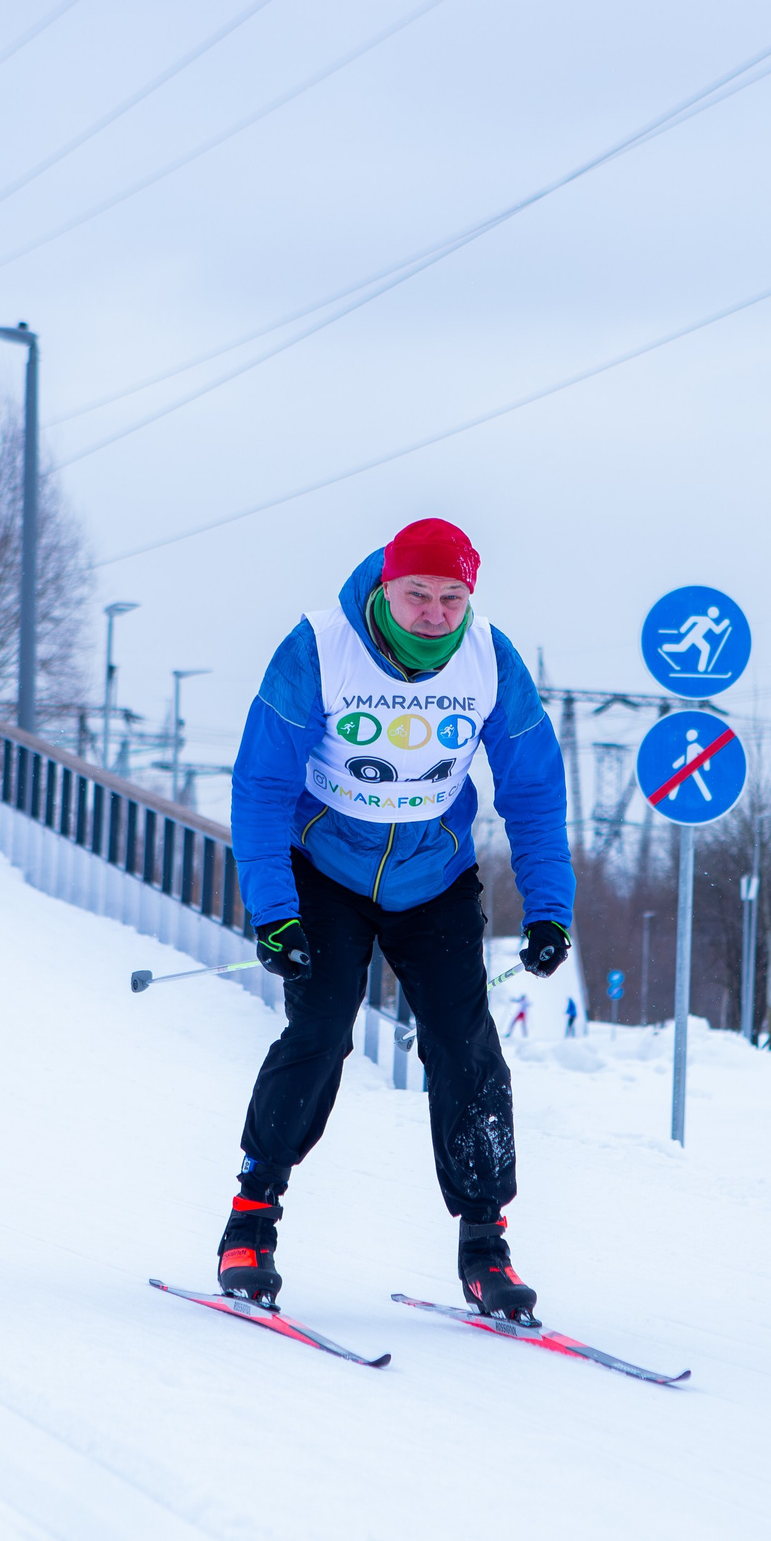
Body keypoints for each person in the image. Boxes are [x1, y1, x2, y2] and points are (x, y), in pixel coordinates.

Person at [218, 518, 573, 1322]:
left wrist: (550, 906)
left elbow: (534, 789)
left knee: (465, 1043)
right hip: (324, 870)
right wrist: (274, 910)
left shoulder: (490, 660)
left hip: (434, 872)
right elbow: (261, 786)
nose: (435, 613)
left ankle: (486, 1245)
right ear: (385, 585)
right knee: (320, 1032)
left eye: (453, 598)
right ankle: (251, 1221)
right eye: (418, 594)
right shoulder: (318, 647)